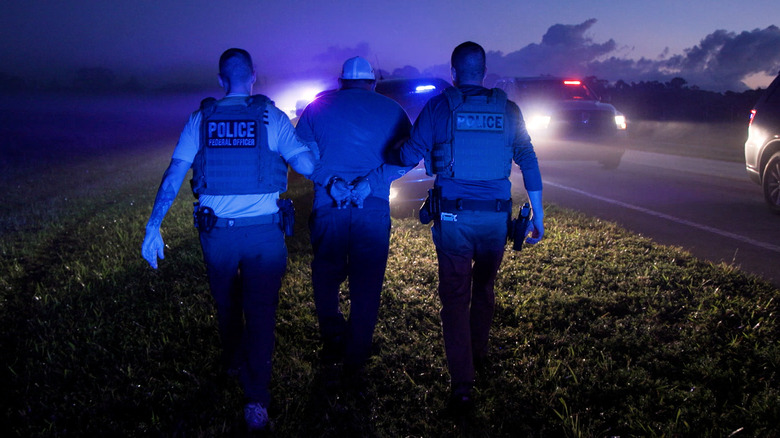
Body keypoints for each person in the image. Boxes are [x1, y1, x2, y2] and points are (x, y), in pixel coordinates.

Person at [141, 48, 315, 432]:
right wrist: (312, 150)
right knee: (261, 312)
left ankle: (235, 361)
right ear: (254, 76)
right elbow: (305, 166)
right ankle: (256, 401)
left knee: (227, 305)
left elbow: (174, 175)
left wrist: (154, 225)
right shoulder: (271, 116)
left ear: (221, 80)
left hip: (216, 235)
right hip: (264, 236)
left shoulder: (201, 119)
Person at [389, 42, 545, 413]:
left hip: (454, 222)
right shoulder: (508, 111)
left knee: (455, 299)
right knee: (485, 286)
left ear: (454, 72)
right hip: (495, 222)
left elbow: (409, 155)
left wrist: (386, 154)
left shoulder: (440, 107)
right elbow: (530, 162)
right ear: (485, 72)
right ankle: (480, 352)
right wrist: (538, 215)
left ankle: (462, 385)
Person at [295, 56, 412, 389]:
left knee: (326, 275)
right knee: (367, 282)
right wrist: (370, 183)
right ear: (373, 81)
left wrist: (330, 181)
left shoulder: (316, 108)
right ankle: (357, 353)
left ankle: (332, 340)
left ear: (340, 81)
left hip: (327, 206)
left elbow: (302, 156)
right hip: (371, 208)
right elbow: (409, 155)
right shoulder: (393, 111)